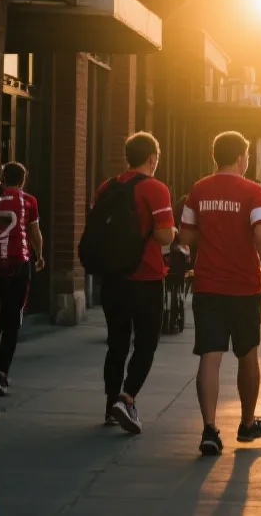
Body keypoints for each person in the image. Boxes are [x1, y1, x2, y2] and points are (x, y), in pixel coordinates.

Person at [180, 131, 261, 456]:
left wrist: (209, 240)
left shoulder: (199, 190)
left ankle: (209, 429)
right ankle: (247, 423)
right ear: (242, 157)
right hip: (244, 287)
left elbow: (185, 235)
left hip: (208, 285)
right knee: (247, 354)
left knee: (210, 356)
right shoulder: (254, 192)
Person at [95, 133, 176, 432]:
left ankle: (109, 405)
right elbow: (165, 235)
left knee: (116, 342)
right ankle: (126, 398)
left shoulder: (107, 187)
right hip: (147, 278)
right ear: (152, 158)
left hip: (113, 278)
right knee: (145, 343)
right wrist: (173, 232)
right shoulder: (155, 188)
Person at [0, 162, 43, 397]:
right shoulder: (29, 201)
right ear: (23, 181)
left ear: (3, 179)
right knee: (12, 321)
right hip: (19, 263)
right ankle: (0, 373)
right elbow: (34, 232)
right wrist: (40, 256)